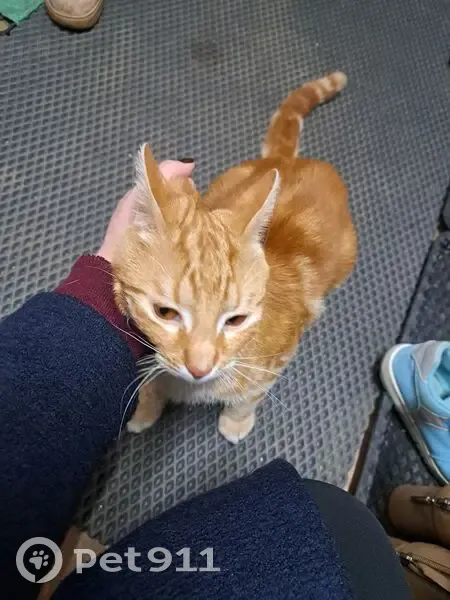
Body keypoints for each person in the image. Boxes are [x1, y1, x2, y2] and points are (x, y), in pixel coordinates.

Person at [0, 159, 410, 599]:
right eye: (167, 311)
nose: (201, 362)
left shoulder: (260, 313)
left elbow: (275, 358)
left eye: (234, 319)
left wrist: (240, 409)